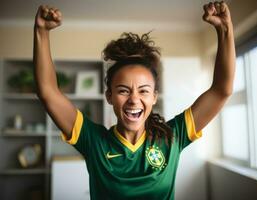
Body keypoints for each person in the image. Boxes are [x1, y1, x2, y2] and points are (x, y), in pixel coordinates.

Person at [33, 1, 235, 199]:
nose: (134, 99)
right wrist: (42, 32)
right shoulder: (94, 142)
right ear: (109, 96)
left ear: (154, 97)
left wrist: (225, 29)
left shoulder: (172, 138)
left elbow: (221, 90)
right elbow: (48, 92)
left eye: (144, 91)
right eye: (123, 91)